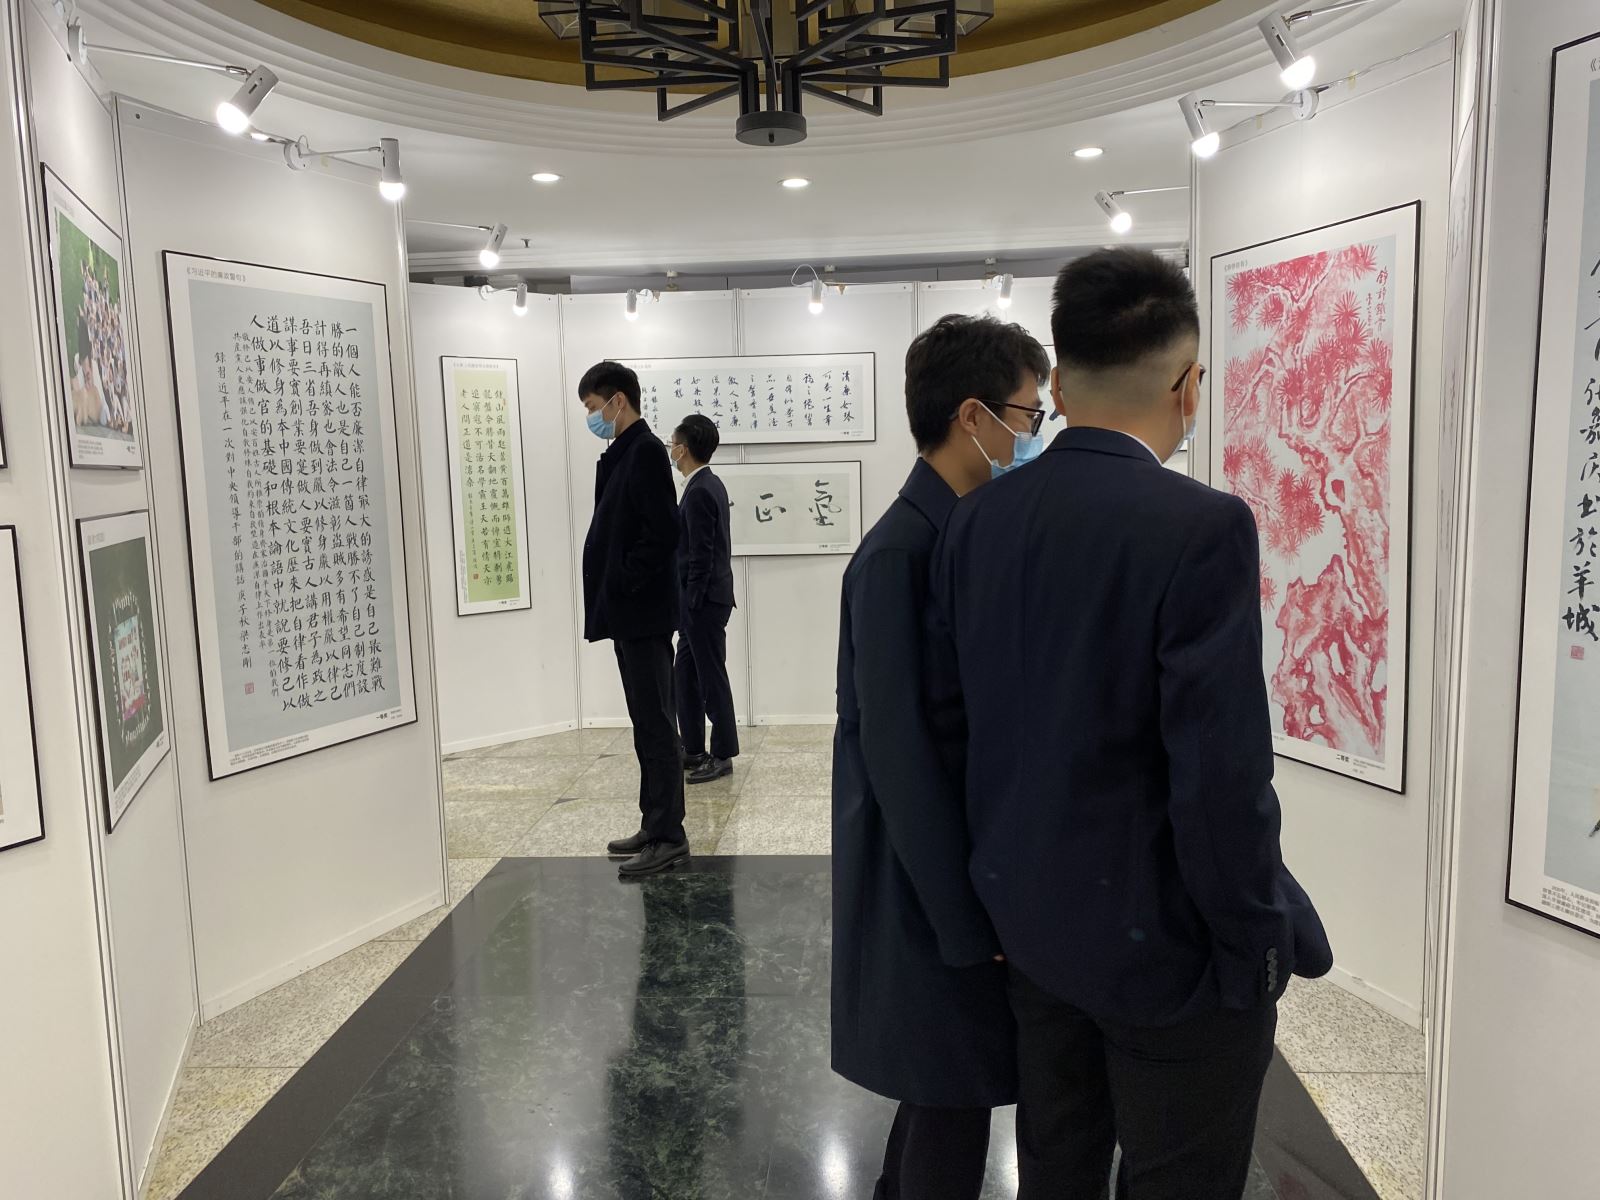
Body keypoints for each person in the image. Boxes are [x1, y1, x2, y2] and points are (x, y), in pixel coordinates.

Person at [931, 249, 1332, 1200]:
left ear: (1061, 387)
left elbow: (961, 731)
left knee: (1056, 1171)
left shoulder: (976, 522)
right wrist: (1256, 945)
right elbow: (1220, 773)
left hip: (1032, 931)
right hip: (1172, 957)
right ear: (1189, 386)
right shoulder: (1202, 525)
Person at [833, 314, 1051, 1200]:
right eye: (1028, 415)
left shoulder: (953, 531)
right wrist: (964, 919)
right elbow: (898, 754)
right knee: (950, 1095)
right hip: (926, 885)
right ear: (973, 416)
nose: (1033, 433)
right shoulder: (900, 553)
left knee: (943, 1090)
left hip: (956, 877)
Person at [578, 361, 688, 878]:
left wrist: (624, 579)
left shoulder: (644, 451)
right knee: (645, 723)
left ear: (617, 400)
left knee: (657, 724)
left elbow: (663, 531)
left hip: (641, 612)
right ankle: (653, 823)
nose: (592, 417)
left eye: (593, 407)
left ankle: (669, 835)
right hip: (629, 613)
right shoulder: (623, 452)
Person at [668, 414, 740, 784]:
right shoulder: (706, 484)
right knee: (686, 675)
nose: (670, 449)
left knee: (711, 678)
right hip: (700, 601)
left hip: (704, 602)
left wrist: (692, 601)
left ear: (684, 449)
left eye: (672, 443)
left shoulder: (700, 490)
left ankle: (723, 754)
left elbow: (701, 554)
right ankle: (693, 748)